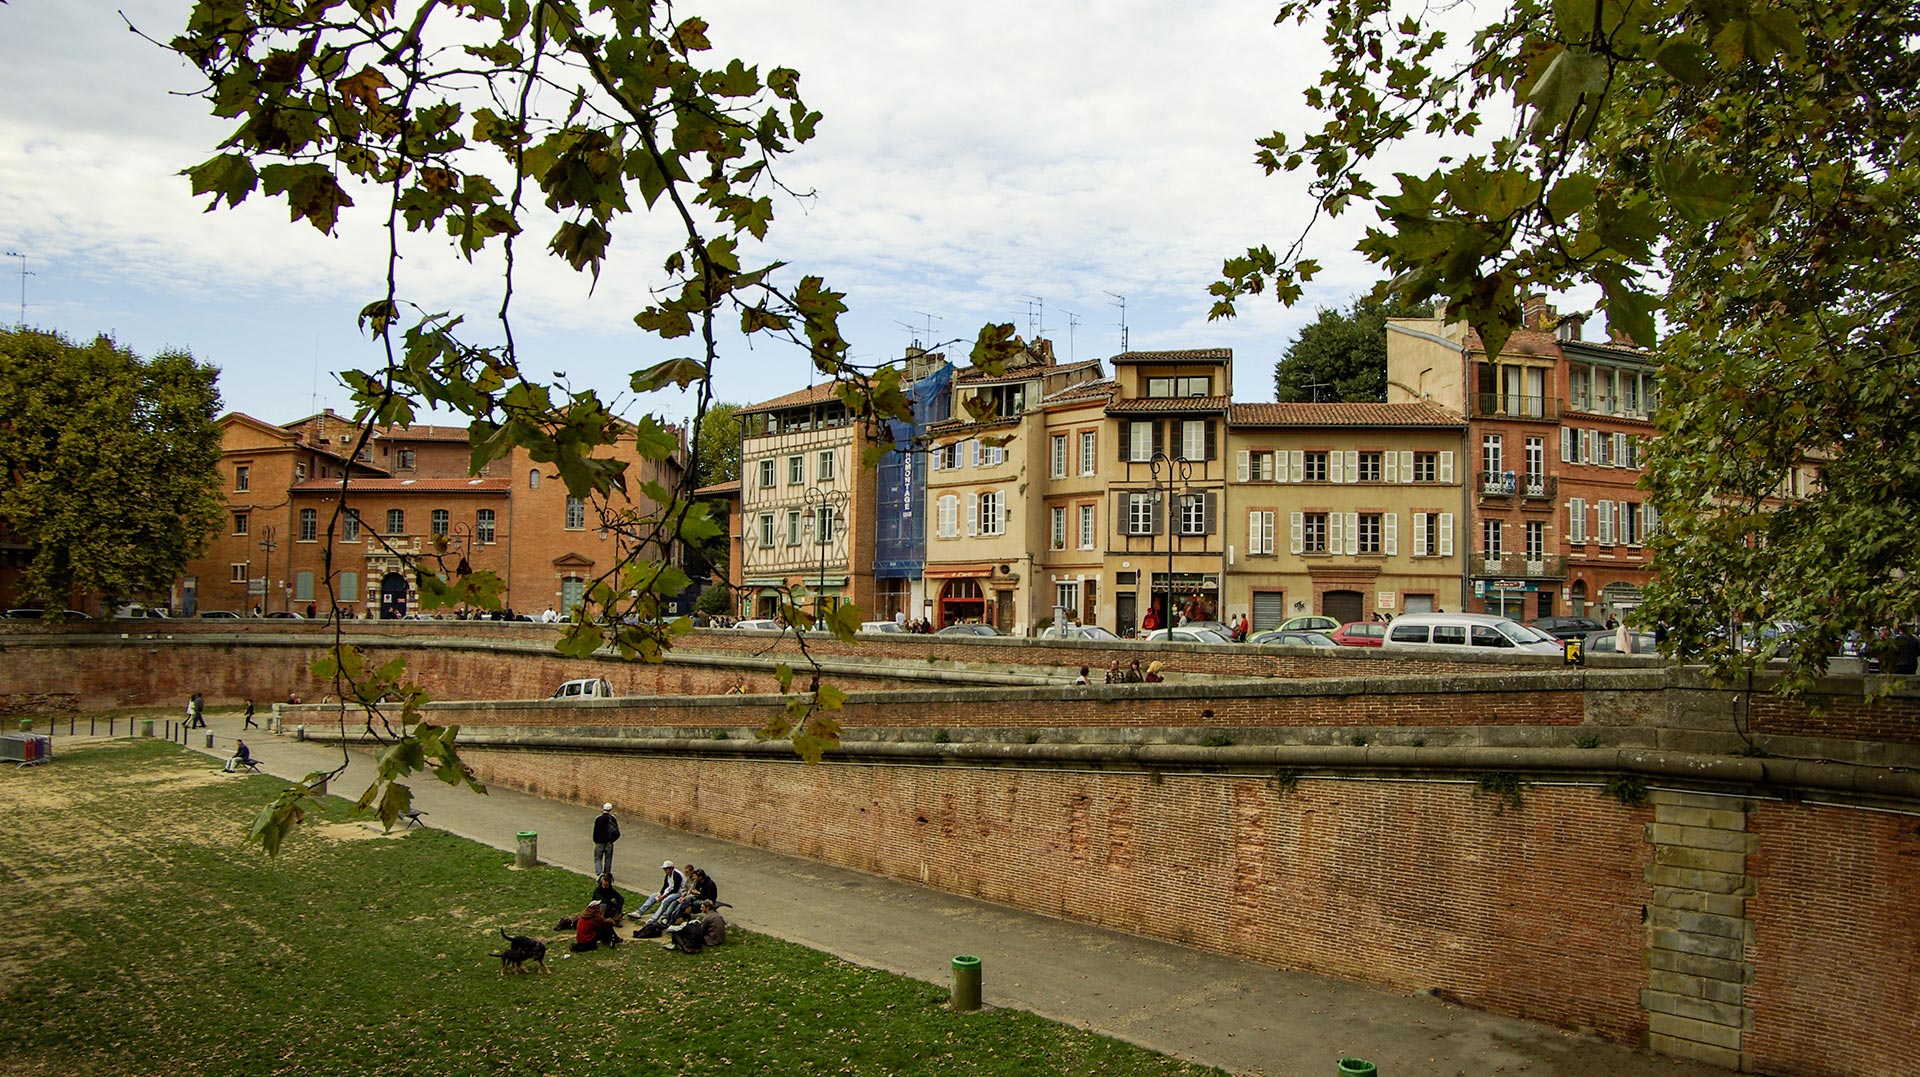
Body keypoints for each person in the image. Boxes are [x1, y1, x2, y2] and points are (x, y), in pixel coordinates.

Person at [592, 803, 620, 877]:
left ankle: (599, 873)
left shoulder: (598, 819)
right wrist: (612, 840)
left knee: (598, 858)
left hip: (599, 842)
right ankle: (607, 873)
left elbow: (595, 831)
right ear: (610, 809)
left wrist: (595, 840)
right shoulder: (613, 818)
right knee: (608, 859)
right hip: (609, 842)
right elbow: (617, 831)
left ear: (603, 809)